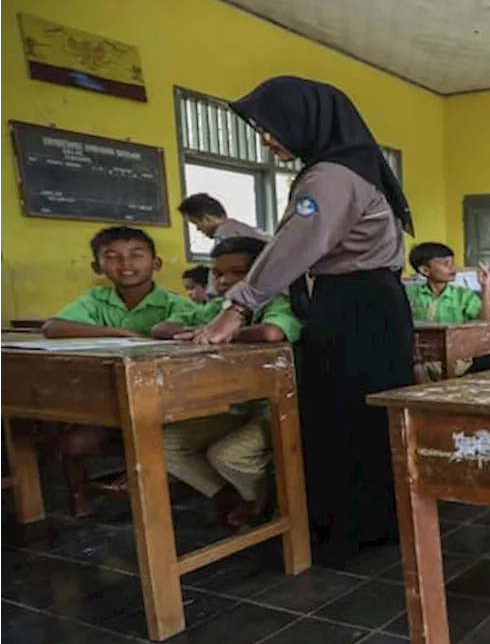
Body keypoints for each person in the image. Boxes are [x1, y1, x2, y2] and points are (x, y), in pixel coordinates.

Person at [185, 76, 416, 555]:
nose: (268, 140)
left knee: (341, 416)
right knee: (364, 418)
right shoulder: (358, 166)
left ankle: (347, 532)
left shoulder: (330, 176)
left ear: (307, 123)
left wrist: (237, 306)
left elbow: (296, 243)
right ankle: (374, 523)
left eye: (274, 128)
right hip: (375, 304)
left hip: (354, 307)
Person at [43, 226, 195, 515]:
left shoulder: (175, 303)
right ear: (97, 266)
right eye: (112, 257)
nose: (125, 264)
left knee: (150, 436)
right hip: (106, 396)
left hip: (165, 398)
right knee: (73, 443)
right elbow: (52, 327)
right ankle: (83, 492)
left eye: (136, 255)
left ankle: (150, 488)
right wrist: (120, 332)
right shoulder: (96, 299)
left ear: (156, 263)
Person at [153, 237, 302, 528]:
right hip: (234, 406)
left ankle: (266, 498)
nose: (225, 281)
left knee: (226, 455)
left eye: (239, 273)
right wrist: (201, 328)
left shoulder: (282, 302)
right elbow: (161, 327)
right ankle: (232, 495)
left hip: (276, 408)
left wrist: (225, 332)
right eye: (219, 274)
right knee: (162, 443)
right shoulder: (221, 309)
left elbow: (272, 333)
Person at [404, 242, 490, 323]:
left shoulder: (463, 295)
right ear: (425, 270)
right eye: (446, 264)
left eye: (452, 263)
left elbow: (484, 323)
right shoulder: (409, 294)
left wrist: (485, 286)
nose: (453, 268)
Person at [179, 193, 272, 243]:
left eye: (196, 223)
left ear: (207, 218)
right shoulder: (238, 228)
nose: (198, 229)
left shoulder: (225, 236)